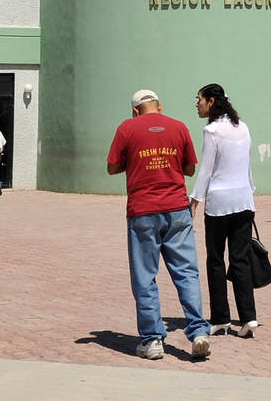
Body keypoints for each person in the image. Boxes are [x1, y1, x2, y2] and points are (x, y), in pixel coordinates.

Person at [107, 89, 211, 361]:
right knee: (186, 273)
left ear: (135, 110)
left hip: (143, 211)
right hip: (177, 209)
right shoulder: (179, 127)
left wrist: (136, 162)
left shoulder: (127, 128)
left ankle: (152, 340)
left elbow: (112, 167)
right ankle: (199, 332)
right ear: (159, 106)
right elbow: (189, 169)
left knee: (145, 277)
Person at [189, 83, 258, 338]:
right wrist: (251, 192)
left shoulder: (212, 131)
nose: (197, 104)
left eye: (199, 100)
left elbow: (206, 170)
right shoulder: (243, 127)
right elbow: (248, 166)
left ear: (210, 101)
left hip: (219, 204)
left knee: (216, 261)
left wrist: (194, 200)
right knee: (240, 260)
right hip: (244, 201)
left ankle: (220, 319)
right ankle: (249, 319)